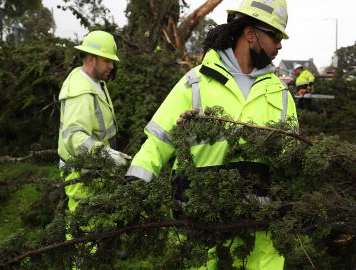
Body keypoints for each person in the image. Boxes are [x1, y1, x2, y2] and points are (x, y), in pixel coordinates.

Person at [126, 0, 297, 268]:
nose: (279, 45)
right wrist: (135, 185)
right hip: (199, 228)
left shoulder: (282, 94)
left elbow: (294, 162)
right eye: (275, 35)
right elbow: (158, 141)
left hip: (260, 236)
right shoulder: (195, 83)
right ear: (250, 33)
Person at [58, 30, 131, 213]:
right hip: (82, 173)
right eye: (107, 60)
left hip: (96, 170)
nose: (111, 66)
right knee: (84, 229)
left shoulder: (96, 82)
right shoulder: (80, 92)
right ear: (91, 59)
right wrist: (105, 154)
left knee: (100, 226)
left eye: (112, 61)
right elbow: (74, 137)